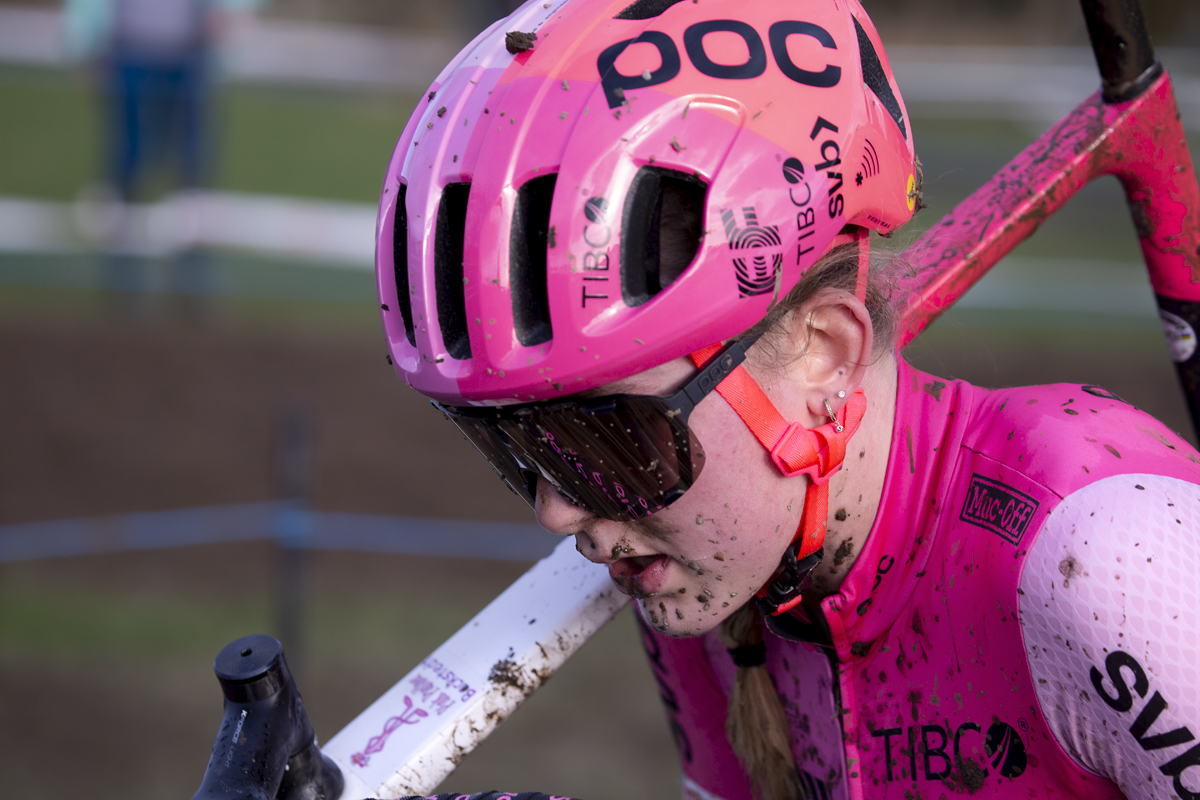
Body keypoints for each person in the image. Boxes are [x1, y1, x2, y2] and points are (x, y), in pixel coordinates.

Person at [375, 0, 1200, 798]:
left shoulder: (1103, 564)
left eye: (611, 437)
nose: (558, 510)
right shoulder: (707, 564)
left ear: (823, 354)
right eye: (516, 446)